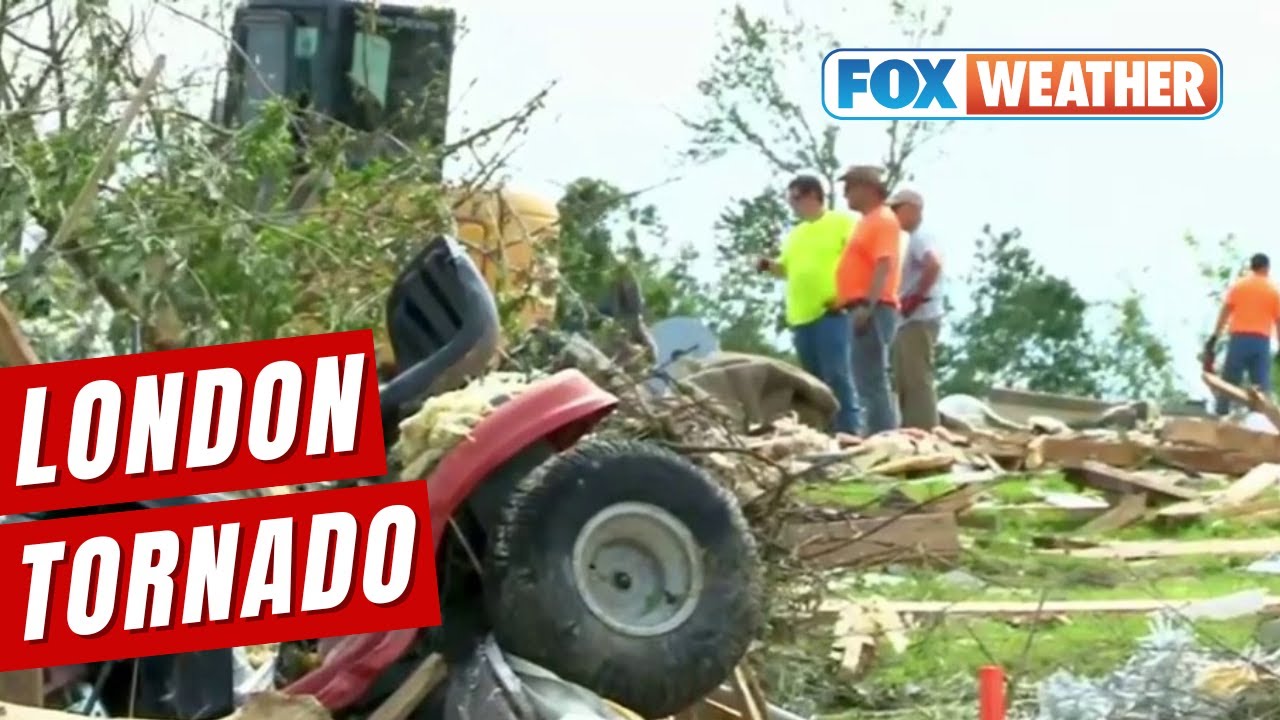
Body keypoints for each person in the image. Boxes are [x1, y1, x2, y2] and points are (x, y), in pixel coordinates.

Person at [757, 175, 859, 434]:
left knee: (837, 375)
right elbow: (787, 269)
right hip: (800, 317)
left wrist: (847, 295)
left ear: (814, 195)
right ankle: (825, 432)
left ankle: (849, 430)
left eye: (796, 198)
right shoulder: (796, 234)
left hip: (831, 311)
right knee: (812, 381)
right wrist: (770, 266)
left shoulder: (842, 222)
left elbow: (859, 260)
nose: (792, 205)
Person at [834, 165, 902, 435]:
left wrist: (869, 306)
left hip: (872, 307)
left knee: (871, 378)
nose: (845, 193)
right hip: (858, 306)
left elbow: (883, 264)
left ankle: (883, 434)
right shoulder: (867, 221)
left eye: (850, 187)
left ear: (868, 188)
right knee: (863, 377)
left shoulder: (883, 219)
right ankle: (877, 432)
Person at [887, 188, 943, 429]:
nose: (893, 214)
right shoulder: (915, 238)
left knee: (917, 378)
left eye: (896, 209)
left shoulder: (922, 236)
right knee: (906, 379)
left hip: (918, 317)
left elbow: (933, 264)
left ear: (912, 208)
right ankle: (912, 427)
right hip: (909, 320)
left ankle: (924, 430)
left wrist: (916, 297)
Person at [1207, 252, 1280, 415]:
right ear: (1267, 268)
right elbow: (1278, 321)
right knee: (1261, 387)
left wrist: (1215, 335)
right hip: (1261, 343)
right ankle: (1263, 423)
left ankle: (1221, 416)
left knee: (1229, 382)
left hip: (1239, 340)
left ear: (1251, 267)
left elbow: (1225, 312)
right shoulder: (1273, 291)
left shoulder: (1239, 286)